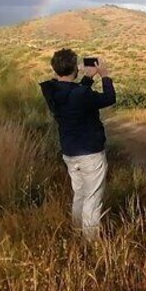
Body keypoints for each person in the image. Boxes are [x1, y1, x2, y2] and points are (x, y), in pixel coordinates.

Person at [40, 49, 116, 241]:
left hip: (70, 153)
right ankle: (90, 243)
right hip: (90, 154)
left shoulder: (53, 91)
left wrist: (88, 79)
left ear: (55, 69)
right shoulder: (80, 94)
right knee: (92, 199)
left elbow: (73, 95)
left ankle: (76, 232)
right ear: (75, 68)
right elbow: (109, 98)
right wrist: (105, 75)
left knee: (80, 194)